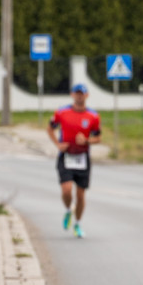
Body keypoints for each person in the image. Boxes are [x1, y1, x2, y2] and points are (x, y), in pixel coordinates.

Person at [47, 84, 101, 238]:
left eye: (82, 94)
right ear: (72, 95)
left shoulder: (93, 116)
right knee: (66, 189)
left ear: (87, 96)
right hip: (66, 156)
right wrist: (58, 144)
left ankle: (77, 223)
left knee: (81, 194)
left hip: (82, 157)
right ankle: (67, 210)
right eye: (77, 94)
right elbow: (50, 128)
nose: (79, 96)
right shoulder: (62, 112)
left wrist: (87, 140)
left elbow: (98, 137)